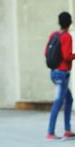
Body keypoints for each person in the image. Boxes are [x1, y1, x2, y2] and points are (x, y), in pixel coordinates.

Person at [45, 12, 75, 140]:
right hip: (62, 74)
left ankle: (67, 130)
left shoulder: (54, 35)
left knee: (69, 99)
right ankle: (50, 132)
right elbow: (67, 56)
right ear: (70, 23)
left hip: (54, 72)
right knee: (58, 102)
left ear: (59, 22)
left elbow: (46, 52)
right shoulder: (67, 36)